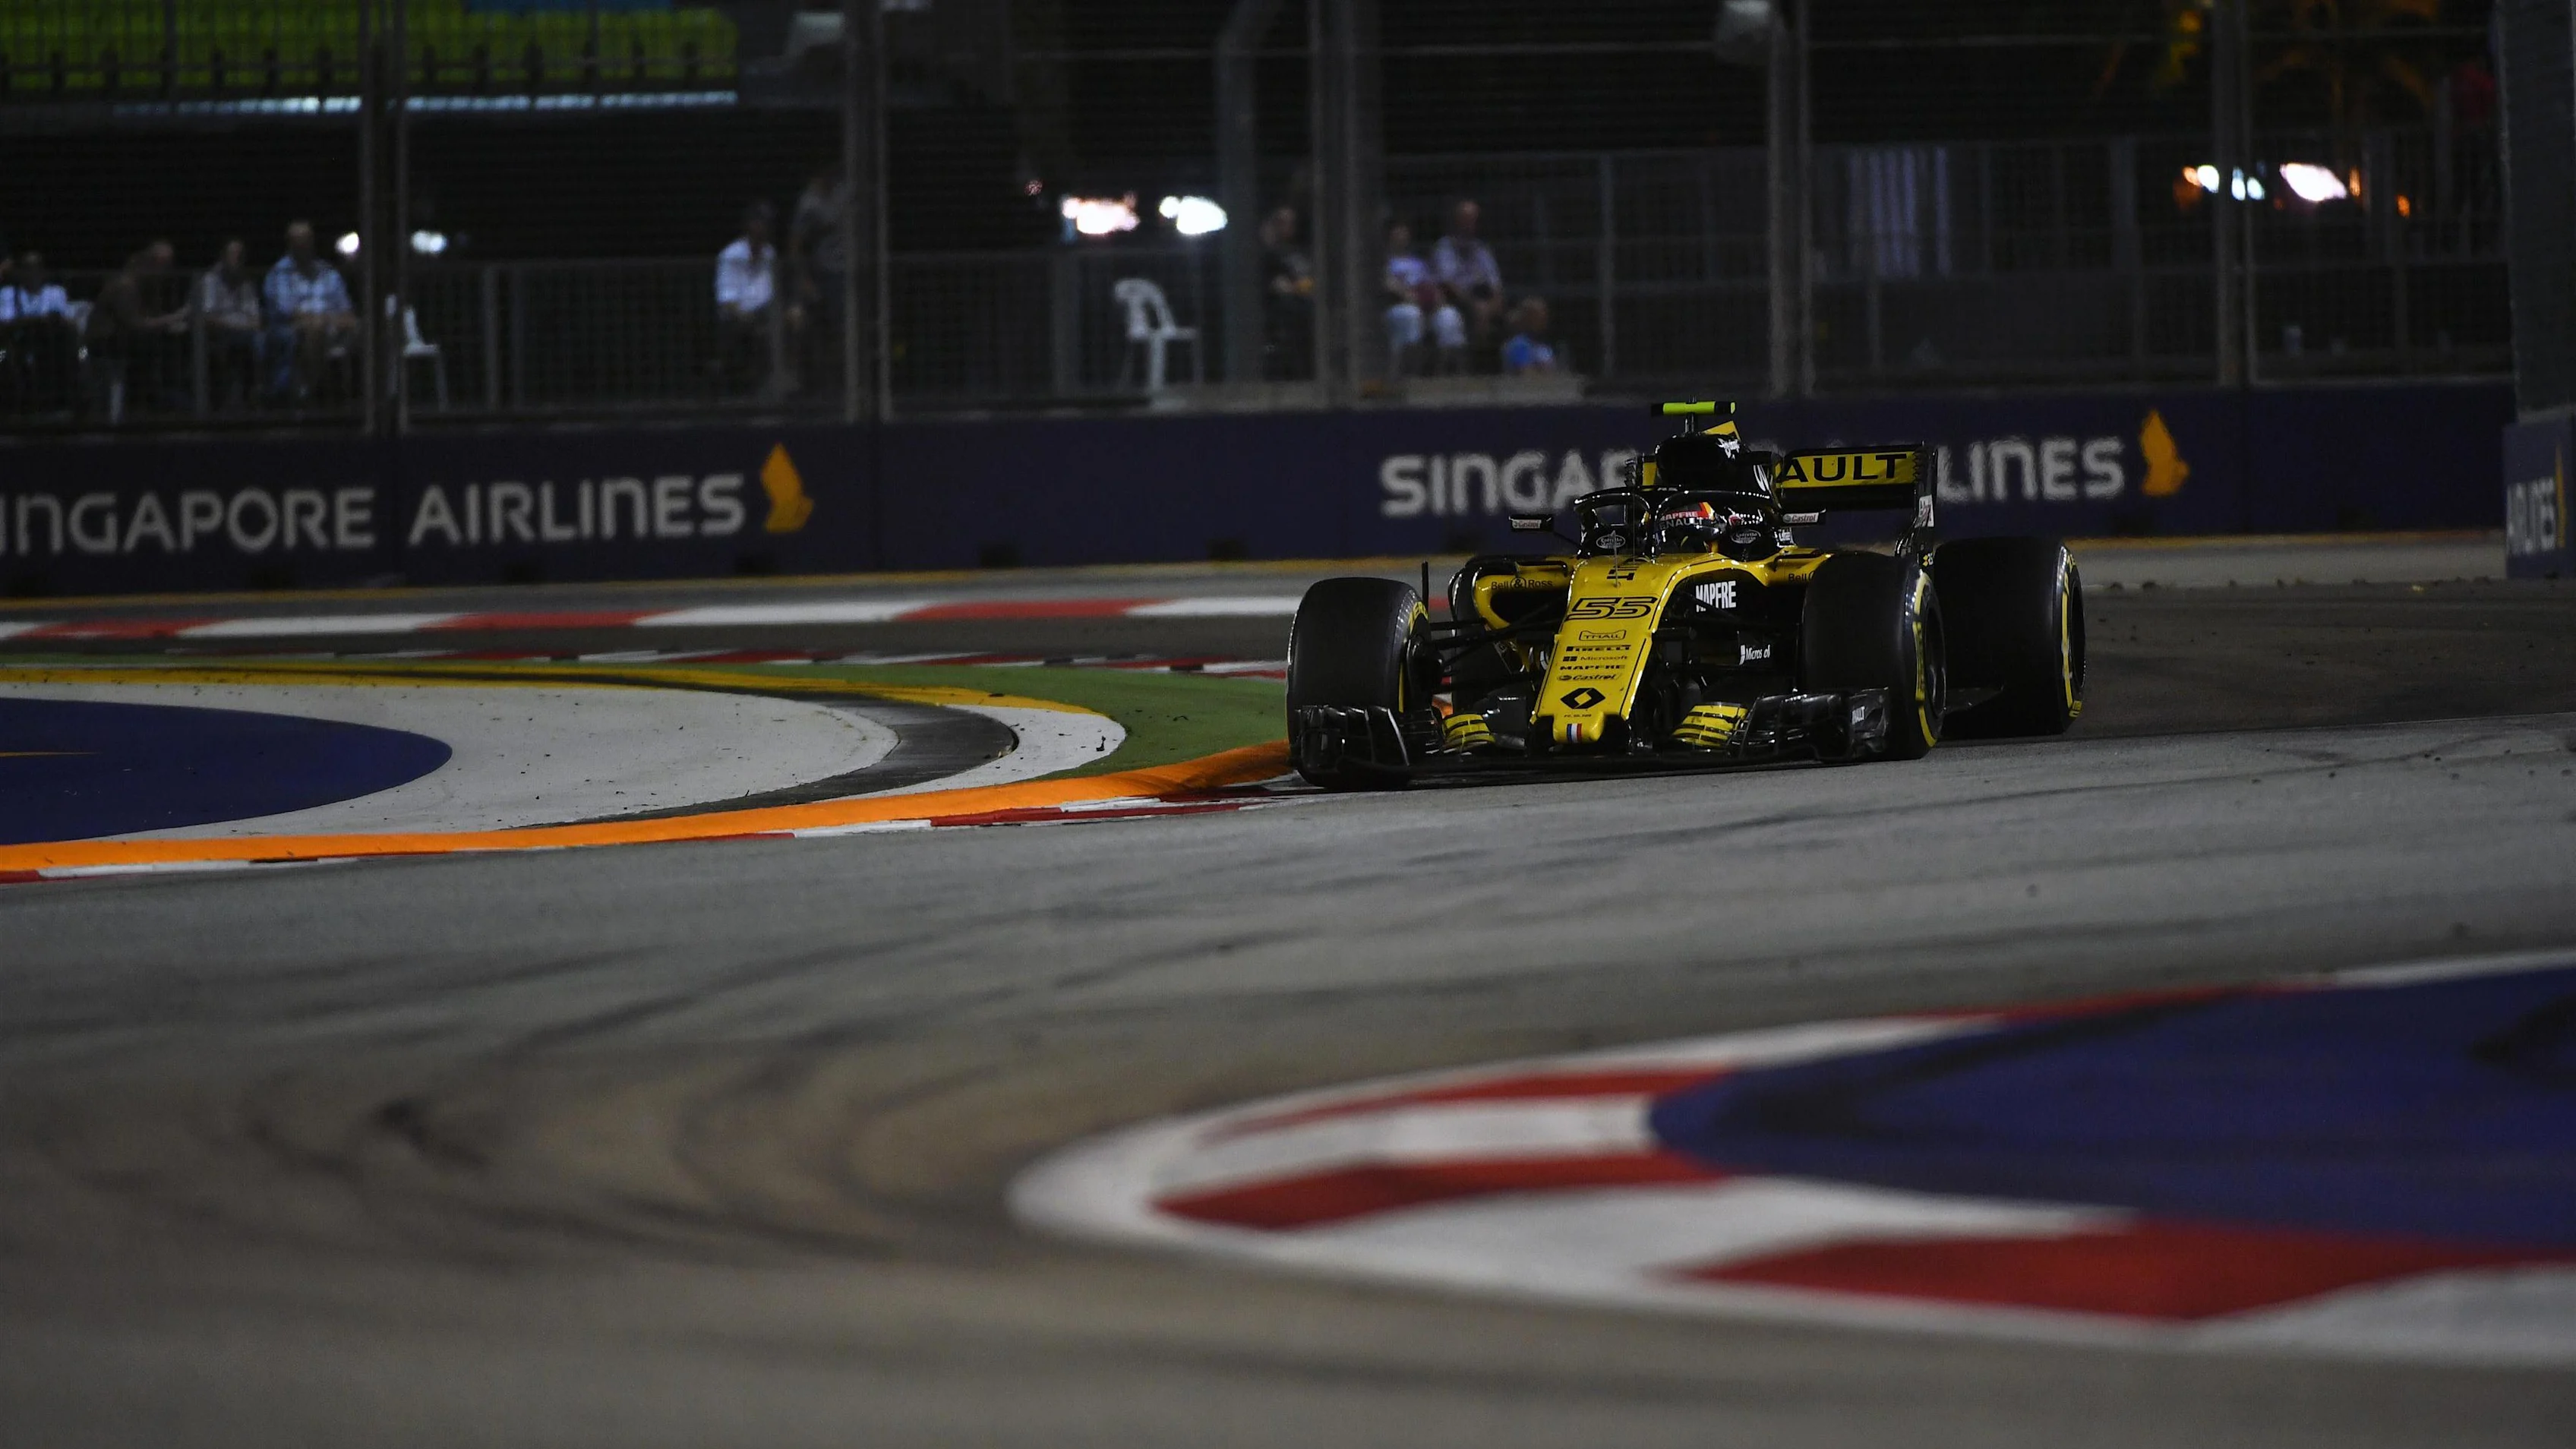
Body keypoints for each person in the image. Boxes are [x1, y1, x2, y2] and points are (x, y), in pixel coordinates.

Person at [87, 239, 189, 418]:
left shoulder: (147, 286)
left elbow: (151, 316)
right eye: (163, 266)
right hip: (106, 345)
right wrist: (174, 318)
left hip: (125, 343)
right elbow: (135, 324)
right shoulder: (126, 285)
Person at [262, 220, 357, 404]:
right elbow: (288, 313)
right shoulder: (280, 273)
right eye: (299, 241)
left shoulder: (327, 271)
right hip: (294, 330)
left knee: (363, 328)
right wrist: (323, 321)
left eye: (307, 240)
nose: (304, 245)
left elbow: (347, 312)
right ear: (290, 244)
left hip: (332, 326)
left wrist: (329, 320)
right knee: (315, 331)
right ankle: (313, 394)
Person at [789, 159, 848, 399]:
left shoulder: (845, 193)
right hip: (824, 274)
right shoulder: (809, 203)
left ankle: (845, 384)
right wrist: (804, 279)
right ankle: (816, 386)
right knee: (815, 330)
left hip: (849, 273)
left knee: (845, 331)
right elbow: (795, 244)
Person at [715, 202, 783, 394]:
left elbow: (770, 291)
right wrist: (744, 315)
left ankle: (778, 386)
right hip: (736, 315)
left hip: (764, 314)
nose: (765, 228)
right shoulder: (731, 254)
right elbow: (726, 299)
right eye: (760, 222)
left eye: (768, 223)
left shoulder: (770, 253)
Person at [0, 251, 79, 412]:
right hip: (18, 344)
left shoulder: (56, 292)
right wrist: (38, 321)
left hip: (52, 347)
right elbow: (6, 322)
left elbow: (66, 321)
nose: (32, 273)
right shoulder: (8, 293)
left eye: (36, 268)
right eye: (27, 268)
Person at [1381, 220, 1461, 379]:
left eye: (1404, 232)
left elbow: (1431, 284)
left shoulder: (1418, 263)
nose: (1402, 236)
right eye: (1398, 232)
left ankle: (1445, 373)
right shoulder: (1385, 262)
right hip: (1400, 306)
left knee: (1449, 316)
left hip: (1426, 306)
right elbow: (1387, 283)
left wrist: (1437, 298)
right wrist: (1407, 295)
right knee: (1411, 315)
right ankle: (1409, 374)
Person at [1431, 198, 1504, 367]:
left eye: (1473, 219)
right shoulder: (1444, 247)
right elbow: (1448, 284)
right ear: (1456, 220)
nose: (1469, 224)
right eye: (1465, 219)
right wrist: (1475, 306)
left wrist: (1490, 306)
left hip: (1483, 301)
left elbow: (1495, 284)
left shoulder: (1482, 249)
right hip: (1458, 301)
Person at [195, 240, 264, 409]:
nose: (237, 260)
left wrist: (247, 327)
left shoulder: (246, 282)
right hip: (219, 333)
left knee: (263, 340)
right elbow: (208, 317)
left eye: (240, 256)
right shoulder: (210, 280)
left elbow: (256, 318)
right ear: (223, 257)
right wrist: (238, 327)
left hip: (245, 333)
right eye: (233, 255)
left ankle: (259, 391)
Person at [1259, 205, 1314, 380]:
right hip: (1289, 308)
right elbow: (1279, 286)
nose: (1289, 227)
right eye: (1283, 223)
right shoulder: (1271, 255)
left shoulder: (1302, 251)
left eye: (1292, 223)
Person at [1501, 296, 1560, 376]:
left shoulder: (1543, 346)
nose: (1543, 320)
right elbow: (1526, 375)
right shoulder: (1518, 345)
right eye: (1537, 317)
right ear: (1526, 318)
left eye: (1544, 315)